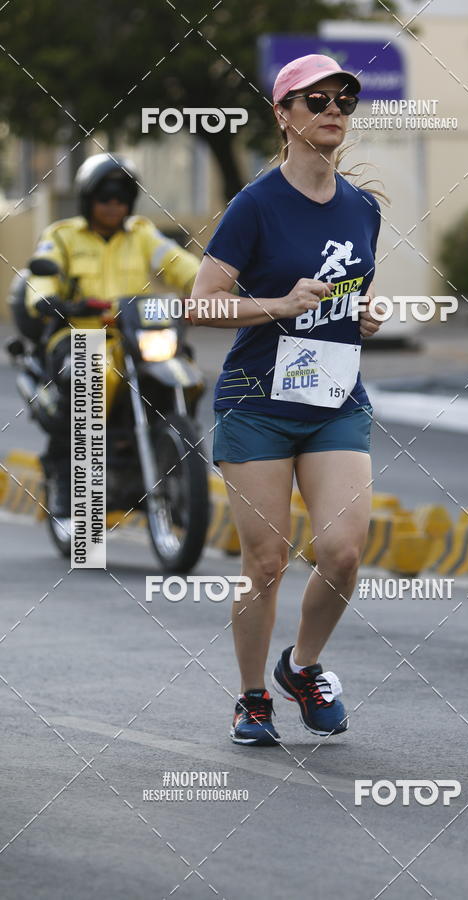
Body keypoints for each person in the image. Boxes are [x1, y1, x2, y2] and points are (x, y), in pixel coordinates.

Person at [190, 54, 383, 745]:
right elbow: (201, 304)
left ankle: (301, 667)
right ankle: (250, 698)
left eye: (343, 100)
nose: (333, 110)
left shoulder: (364, 209)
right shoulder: (256, 205)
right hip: (256, 402)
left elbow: (344, 294)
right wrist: (276, 305)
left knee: (341, 552)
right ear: (283, 114)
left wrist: (360, 316)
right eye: (315, 100)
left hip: (333, 396)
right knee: (266, 562)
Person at [25, 152, 200, 524]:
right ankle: (66, 479)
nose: (113, 206)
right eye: (105, 198)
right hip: (79, 336)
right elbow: (42, 274)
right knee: (88, 376)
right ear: (89, 200)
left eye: (121, 198)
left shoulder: (142, 234)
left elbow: (183, 266)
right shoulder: (63, 235)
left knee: (183, 365)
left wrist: (209, 287)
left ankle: (175, 459)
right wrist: (45, 298)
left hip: (134, 336)